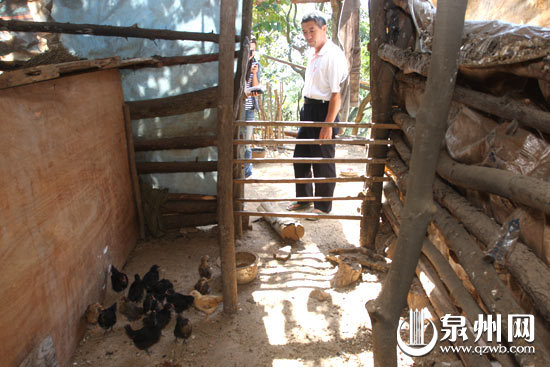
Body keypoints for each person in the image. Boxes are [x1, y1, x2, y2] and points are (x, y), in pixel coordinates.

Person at [287, 12, 348, 220]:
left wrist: (328, 124)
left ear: (324, 29)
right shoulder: (313, 53)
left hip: (325, 111)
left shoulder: (333, 55)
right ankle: (304, 199)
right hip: (309, 109)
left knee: (323, 160)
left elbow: (335, 95)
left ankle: (323, 206)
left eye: (312, 30)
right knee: (301, 156)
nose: (308, 35)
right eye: (305, 32)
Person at [242, 37, 261, 178]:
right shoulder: (238, 64)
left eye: (253, 50)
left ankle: (247, 172)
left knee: (247, 142)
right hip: (237, 109)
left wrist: (254, 73)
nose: (251, 53)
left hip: (249, 109)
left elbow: (256, 88)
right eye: (249, 50)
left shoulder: (255, 65)